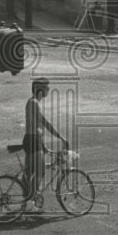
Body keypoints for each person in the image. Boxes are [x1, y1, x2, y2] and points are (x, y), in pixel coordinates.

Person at [24, 78, 68, 206]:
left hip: (32, 139)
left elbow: (37, 127)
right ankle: (33, 198)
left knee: (29, 172)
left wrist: (44, 146)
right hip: (33, 140)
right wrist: (61, 137)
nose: (48, 91)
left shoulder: (32, 102)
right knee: (40, 171)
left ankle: (26, 201)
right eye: (47, 89)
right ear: (40, 90)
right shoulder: (34, 103)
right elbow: (45, 123)